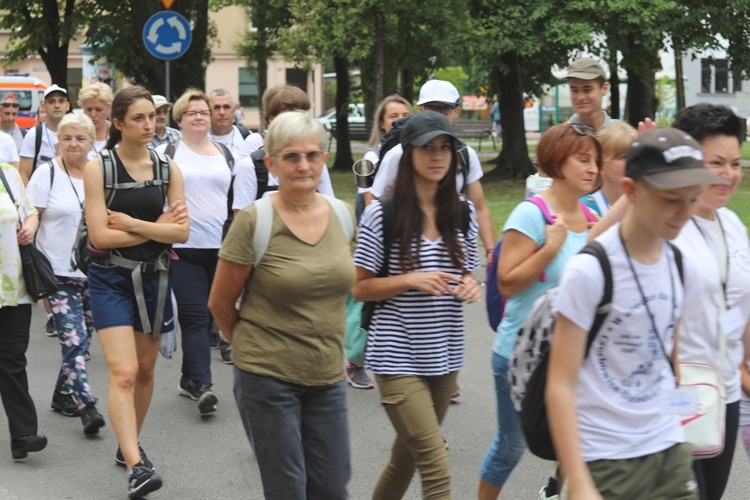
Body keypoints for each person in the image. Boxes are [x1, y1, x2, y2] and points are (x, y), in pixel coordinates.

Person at [546, 128, 726, 499]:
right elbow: (560, 385)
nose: (683, 213)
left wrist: (682, 413)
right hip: (606, 460)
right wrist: (577, 481)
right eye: (670, 199)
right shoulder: (590, 271)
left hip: (670, 450)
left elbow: (668, 361)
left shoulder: (680, 265)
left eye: (691, 200)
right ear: (631, 191)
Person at [588, 105, 750, 499]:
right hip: (673, 393)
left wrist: (744, 367)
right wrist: (650, 175)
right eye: (716, 162)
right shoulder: (667, 219)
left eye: (735, 163)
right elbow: (595, 243)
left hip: (724, 391)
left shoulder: (732, 224)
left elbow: (741, 304)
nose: (727, 174)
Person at [208, 111, 353, 499]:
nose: (303, 165)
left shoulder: (343, 216)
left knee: (332, 488)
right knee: (288, 489)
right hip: (267, 376)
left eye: (311, 155)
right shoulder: (256, 220)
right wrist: (253, 348)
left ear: (323, 158)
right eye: (291, 157)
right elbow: (220, 303)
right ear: (270, 164)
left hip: (327, 376)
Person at [353, 111, 481, 498]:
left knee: (405, 458)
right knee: (435, 463)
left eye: (445, 148)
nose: (438, 156)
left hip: (444, 357)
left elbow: (466, 272)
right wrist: (410, 279)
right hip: (395, 357)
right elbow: (361, 289)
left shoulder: (462, 213)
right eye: (428, 148)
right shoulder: (383, 213)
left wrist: (470, 284)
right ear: (408, 155)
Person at [477, 122, 601, 499]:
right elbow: (506, 283)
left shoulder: (593, 219)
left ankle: (555, 493)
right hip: (521, 355)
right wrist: (549, 249)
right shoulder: (532, 214)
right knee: (511, 447)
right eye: (583, 159)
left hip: (572, 356)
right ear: (557, 162)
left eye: (596, 159)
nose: (593, 168)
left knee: (581, 444)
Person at [83, 86, 189, 498]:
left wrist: (131, 223)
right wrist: (154, 228)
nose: (150, 125)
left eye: (154, 117)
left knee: (146, 372)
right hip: (109, 279)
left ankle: (127, 442)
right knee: (124, 373)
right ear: (119, 124)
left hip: (155, 278)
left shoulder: (167, 169)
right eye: (140, 118)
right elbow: (99, 237)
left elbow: (181, 231)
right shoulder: (100, 168)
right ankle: (136, 464)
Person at [156, 89, 252, 413]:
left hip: (220, 248)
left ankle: (189, 378)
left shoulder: (229, 156)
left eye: (204, 112)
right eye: (192, 112)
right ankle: (204, 386)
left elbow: (240, 207)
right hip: (183, 247)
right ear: (180, 119)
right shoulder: (165, 153)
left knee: (211, 312)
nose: (199, 117)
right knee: (195, 317)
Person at [26, 113, 105, 434]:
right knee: (74, 338)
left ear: (91, 142)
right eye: (67, 138)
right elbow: (30, 216)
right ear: (58, 141)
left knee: (83, 339)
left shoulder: (99, 172)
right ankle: (86, 404)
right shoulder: (46, 174)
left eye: (80, 138)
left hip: (95, 271)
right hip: (56, 273)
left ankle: (62, 394)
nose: (74, 144)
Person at [368, 80, 495, 261]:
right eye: (431, 107)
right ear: (420, 109)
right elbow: (374, 201)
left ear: (456, 111)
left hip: (450, 249)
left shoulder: (466, 155)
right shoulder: (398, 154)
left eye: (444, 108)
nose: (437, 113)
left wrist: (490, 251)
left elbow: (480, 207)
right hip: (405, 250)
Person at [0, 160, 45, 460]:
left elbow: (29, 212)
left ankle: (23, 435)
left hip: (12, 287)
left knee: (12, 359)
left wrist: (29, 229)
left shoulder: (7, 172)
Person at [236, 84, 335, 202]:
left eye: (303, 113)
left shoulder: (312, 152)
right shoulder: (254, 144)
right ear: (272, 119)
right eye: (292, 114)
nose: (299, 119)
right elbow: (242, 199)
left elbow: (328, 198)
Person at [580, 121, 636, 216]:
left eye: (636, 156)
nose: (633, 162)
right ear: (601, 165)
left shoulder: (647, 206)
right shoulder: (585, 209)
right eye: (624, 157)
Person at [20, 84, 70, 184]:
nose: (57, 105)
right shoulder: (33, 135)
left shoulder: (76, 134)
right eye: (51, 101)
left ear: (67, 106)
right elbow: (24, 175)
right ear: (43, 106)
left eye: (61, 101)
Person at [566, 57, 613, 132]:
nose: (580, 97)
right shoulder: (560, 137)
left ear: (604, 88)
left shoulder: (621, 134)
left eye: (587, 90)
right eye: (574, 90)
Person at [78, 82, 113, 158]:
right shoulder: (75, 133)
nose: (93, 114)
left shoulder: (119, 133)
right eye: (89, 109)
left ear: (109, 109)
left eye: (98, 110)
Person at [208, 89, 246, 155]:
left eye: (226, 107)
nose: (222, 112)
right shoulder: (198, 140)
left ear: (234, 110)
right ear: (208, 111)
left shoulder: (247, 138)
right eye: (216, 108)